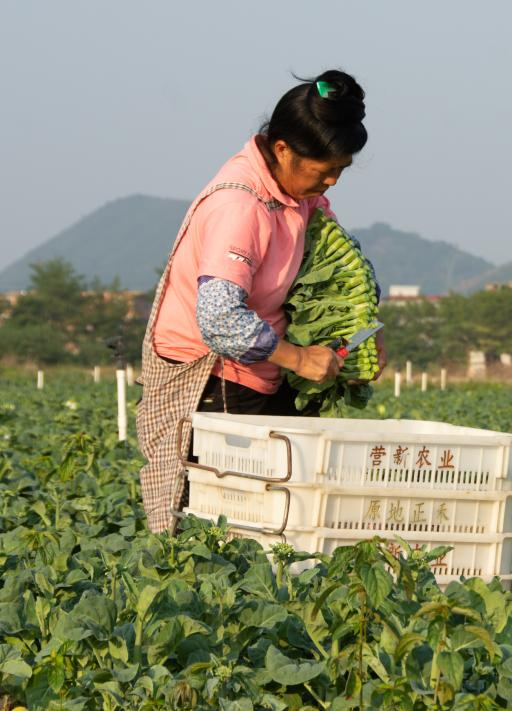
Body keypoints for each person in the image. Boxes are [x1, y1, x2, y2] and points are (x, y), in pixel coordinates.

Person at [136, 69, 386, 534]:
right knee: (220, 524)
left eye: (340, 169)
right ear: (282, 150)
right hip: (213, 378)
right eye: (323, 169)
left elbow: (342, 264)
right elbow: (219, 317)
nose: (332, 181)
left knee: (269, 516)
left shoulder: (297, 193)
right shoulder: (241, 206)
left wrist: (363, 332)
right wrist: (298, 358)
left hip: (259, 368)